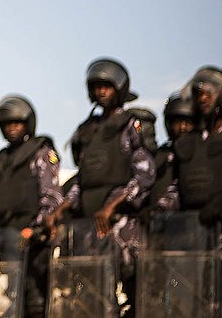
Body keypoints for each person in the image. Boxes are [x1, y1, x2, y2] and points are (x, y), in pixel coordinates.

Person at [45, 58, 156, 316]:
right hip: (89, 226)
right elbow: (82, 181)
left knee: (134, 290)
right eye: (96, 87)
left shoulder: (131, 124)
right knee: (92, 292)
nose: (101, 92)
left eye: (106, 86)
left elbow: (145, 174)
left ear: (119, 89)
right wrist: (60, 209)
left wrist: (112, 206)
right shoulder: (87, 130)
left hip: (122, 223)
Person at [159, 67, 222, 316]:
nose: (202, 99)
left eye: (208, 94)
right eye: (198, 94)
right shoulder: (190, 142)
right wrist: (160, 209)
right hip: (195, 237)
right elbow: (178, 186)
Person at [0, 95, 62, 318]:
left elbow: (52, 196)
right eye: (7, 124)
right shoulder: (4, 158)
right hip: (7, 238)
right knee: (13, 297)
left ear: (28, 123)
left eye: (17, 123)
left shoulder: (40, 152)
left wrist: (35, 228)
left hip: (33, 239)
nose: (12, 128)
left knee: (35, 300)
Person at [148, 90, 195, 211]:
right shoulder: (159, 156)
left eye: (188, 122)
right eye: (177, 122)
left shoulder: (202, 155)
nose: (182, 128)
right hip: (158, 218)